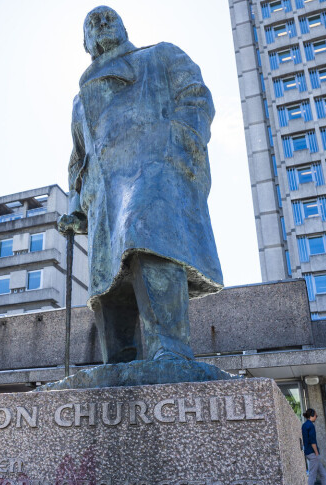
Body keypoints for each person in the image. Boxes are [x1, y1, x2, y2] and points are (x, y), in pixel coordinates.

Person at [57, 6, 224, 365]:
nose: (101, 24)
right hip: (103, 191)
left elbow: (196, 98)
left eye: (108, 18)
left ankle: (170, 348)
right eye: (92, 23)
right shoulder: (80, 101)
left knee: (148, 242)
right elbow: (78, 158)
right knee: (107, 279)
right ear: (85, 42)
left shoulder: (159, 55)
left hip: (154, 170)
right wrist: (76, 201)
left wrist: (175, 144)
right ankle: (118, 361)